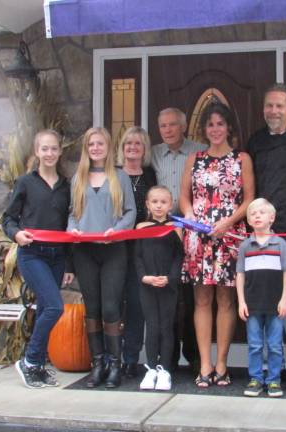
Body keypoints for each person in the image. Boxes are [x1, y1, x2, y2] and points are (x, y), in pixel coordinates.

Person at [179, 102, 254, 388]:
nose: (215, 129)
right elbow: (184, 196)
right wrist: (189, 215)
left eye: (220, 124)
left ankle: (222, 363)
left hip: (230, 235)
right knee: (201, 300)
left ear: (229, 128)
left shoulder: (242, 159)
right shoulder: (194, 159)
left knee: (226, 299)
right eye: (210, 124)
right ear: (204, 129)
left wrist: (228, 222)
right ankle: (205, 363)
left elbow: (249, 200)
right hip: (199, 237)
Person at [245, 83, 286, 390]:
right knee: (265, 303)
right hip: (261, 238)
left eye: (280, 106)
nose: (274, 111)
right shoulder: (255, 141)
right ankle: (270, 367)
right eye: (269, 105)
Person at [4, 129, 75, 389]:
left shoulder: (66, 186)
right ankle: (30, 360)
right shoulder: (25, 182)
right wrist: (17, 234)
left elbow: (68, 225)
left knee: (46, 308)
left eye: (54, 148)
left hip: (57, 256)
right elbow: (8, 218)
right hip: (32, 254)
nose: (49, 153)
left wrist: (69, 264)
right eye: (44, 149)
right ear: (37, 151)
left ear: (59, 151)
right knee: (56, 306)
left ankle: (38, 366)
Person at [68, 127, 136, 389]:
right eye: (91, 144)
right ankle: (98, 364)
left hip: (113, 249)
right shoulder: (79, 178)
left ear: (108, 147)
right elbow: (73, 213)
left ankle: (114, 365)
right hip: (85, 250)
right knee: (92, 308)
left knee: (111, 307)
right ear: (86, 148)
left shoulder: (120, 176)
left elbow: (130, 212)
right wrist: (71, 230)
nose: (96, 148)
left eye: (100, 143)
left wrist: (117, 232)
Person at [151, 107, 206, 372]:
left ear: (183, 126)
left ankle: (195, 356)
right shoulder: (155, 153)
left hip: (192, 229)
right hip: (163, 233)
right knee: (170, 293)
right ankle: (168, 356)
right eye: (163, 126)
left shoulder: (199, 151)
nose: (168, 130)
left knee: (193, 296)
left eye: (173, 125)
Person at [236, 198, 286, 398]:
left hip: (275, 305)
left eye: (261, 212)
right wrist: (241, 301)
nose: (257, 216)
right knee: (255, 344)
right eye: (253, 213)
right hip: (252, 305)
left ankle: (274, 380)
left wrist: (284, 299)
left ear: (272, 218)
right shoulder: (245, 246)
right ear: (248, 220)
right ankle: (256, 379)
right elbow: (240, 274)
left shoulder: (280, 244)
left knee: (275, 344)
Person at [134, 186, 183, 391]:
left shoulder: (175, 227)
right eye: (154, 201)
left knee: (166, 326)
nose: (159, 205)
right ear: (147, 204)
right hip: (148, 284)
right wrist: (144, 277)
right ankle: (151, 368)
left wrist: (170, 278)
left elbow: (178, 256)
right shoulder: (141, 227)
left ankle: (165, 370)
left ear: (170, 204)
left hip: (167, 284)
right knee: (152, 326)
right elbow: (136, 255)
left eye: (163, 202)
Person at [118, 126, 158, 378]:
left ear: (144, 149)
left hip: (141, 249)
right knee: (113, 304)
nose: (132, 148)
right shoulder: (112, 175)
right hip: (115, 247)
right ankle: (112, 355)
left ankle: (131, 358)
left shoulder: (150, 176)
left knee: (136, 304)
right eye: (128, 144)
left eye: (138, 144)